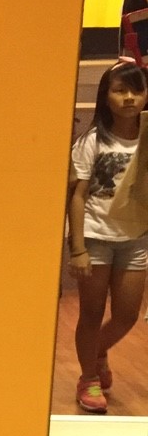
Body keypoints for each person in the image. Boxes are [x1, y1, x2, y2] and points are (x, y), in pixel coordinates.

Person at [67, 60, 148, 413]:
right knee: (92, 311)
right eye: (120, 90)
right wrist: (78, 248)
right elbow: (78, 196)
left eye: (137, 90)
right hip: (96, 236)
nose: (129, 98)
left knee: (128, 314)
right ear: (106, 96)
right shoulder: (92, 141)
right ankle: (88, 377)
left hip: (136, 237)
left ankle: (97, 352)